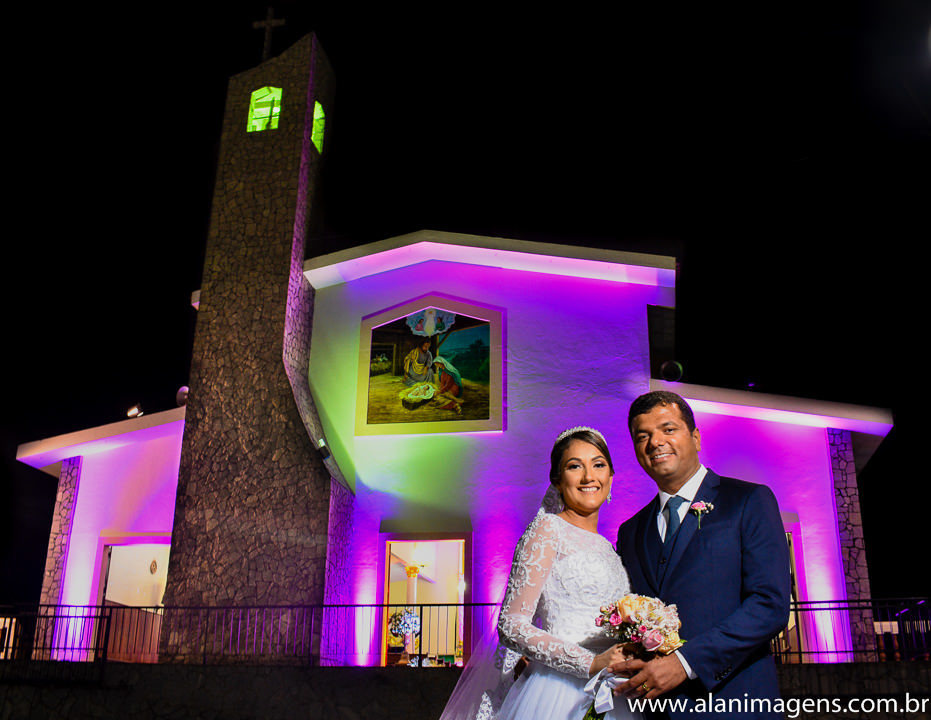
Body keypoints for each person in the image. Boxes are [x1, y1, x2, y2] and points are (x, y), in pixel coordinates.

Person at [440, 427, 641, 720]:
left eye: (598, 464)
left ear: (611, 475)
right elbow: (511, 624)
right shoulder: (547, 530)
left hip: (613, 688)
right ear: (558, 482)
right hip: (559, 691)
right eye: (575, 466)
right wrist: (590, 662)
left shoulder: (609, 547)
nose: (589, 477)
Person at [614, 391, 791, 719]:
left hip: (735, 703)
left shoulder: (748, 501)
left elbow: (770, 605)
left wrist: (686, 662)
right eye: (643, 436)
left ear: (695, 438)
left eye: (668, 429)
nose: (656, 442)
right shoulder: (630, 531)